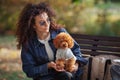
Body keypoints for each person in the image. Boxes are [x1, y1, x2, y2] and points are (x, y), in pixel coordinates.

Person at [16, 2, 87, 80]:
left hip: (65, 74)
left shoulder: (60, 32)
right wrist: (48, 66)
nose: (47, 24)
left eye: (48, 20)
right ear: (33, 26)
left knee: (66, 76)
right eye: (42, 23)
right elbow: (29, 70)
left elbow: (76, 50)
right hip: (45, 77)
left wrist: (75, 66)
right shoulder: (29, 44)